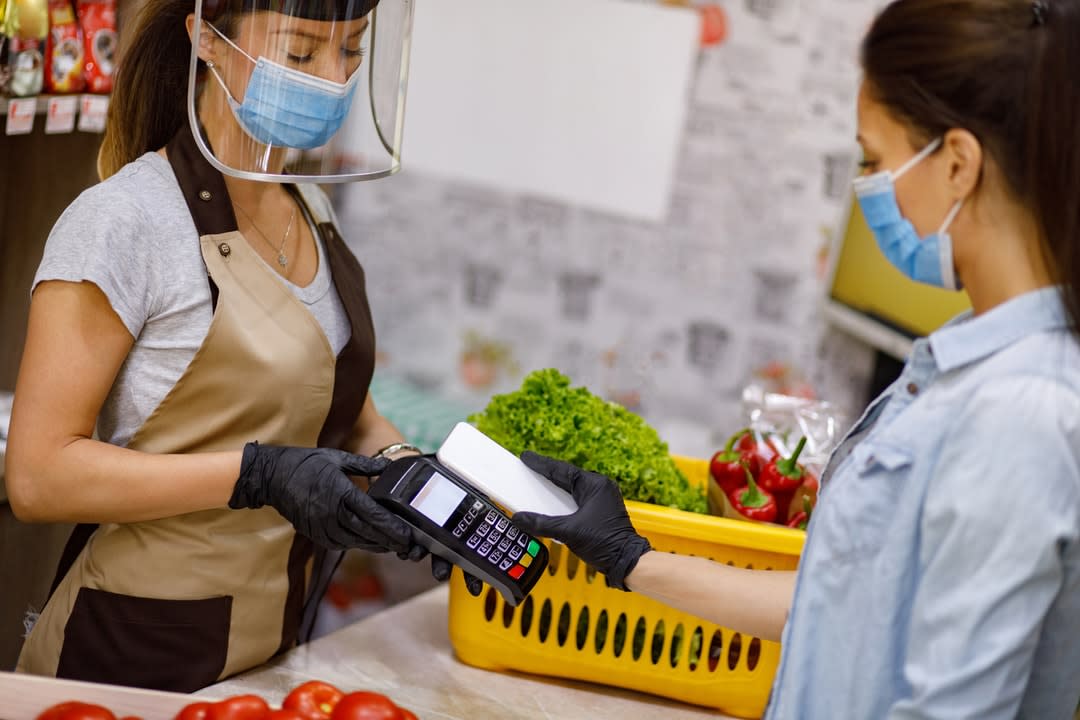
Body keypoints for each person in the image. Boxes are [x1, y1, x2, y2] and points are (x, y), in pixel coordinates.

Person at [512, 1, 1080, 718]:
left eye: (874, 159)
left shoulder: (1021, 413)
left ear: (959, 165)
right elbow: (842, 605)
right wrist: (630, 558)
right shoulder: (965, 370)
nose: (867, 186)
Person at [5, 0, 476, 692]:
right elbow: (39, 477)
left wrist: (416, 484)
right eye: (300, 51)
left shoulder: (309, 208)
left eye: (351, 52)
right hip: (134, 648)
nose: (331, 79)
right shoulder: (122, 222)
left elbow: (347, 404)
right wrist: (258, 475)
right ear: (208, 40)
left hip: (270, 647)